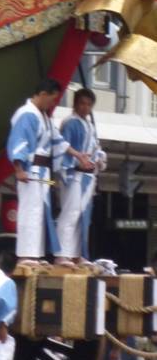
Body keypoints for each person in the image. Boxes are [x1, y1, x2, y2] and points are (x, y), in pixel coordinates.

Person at [7, 78, 95, 264]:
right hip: (29, 171)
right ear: (43, 94)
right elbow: (18, 142)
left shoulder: (45, 117)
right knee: (30, 209)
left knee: (42, 210)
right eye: (52, 99)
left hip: (44, 174)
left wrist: (78, 155)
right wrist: (19, 169)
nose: (52, 103)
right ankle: (25, 254)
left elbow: (58, 141)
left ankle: (36, 254)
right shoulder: (26, 114)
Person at [57, 88, 106, 263]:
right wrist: (78, 162)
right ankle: (61, 253)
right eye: (82, 103)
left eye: (88, 104)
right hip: (74, 174)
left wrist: (99, 160)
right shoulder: (69, 123)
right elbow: (62, 148)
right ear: (75, 104)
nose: (85, 107)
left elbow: (96, 149)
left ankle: (76, 253)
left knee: (81, 216)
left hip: (88, 176)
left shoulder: (90, 126)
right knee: (70, 214)